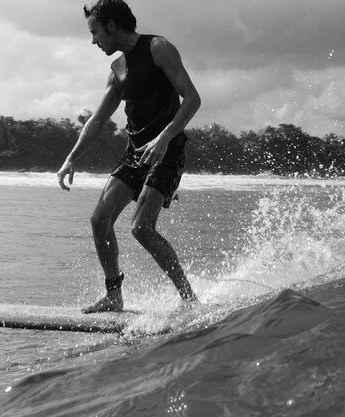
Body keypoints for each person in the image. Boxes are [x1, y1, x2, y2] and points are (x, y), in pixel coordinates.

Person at [57, 0, 201, 313]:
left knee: (141, 228)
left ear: (111, 25)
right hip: (135, 152)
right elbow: (97, 121)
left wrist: (164, 138)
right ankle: (113, 295)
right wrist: (71, 159)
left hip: (168, 151)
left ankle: (190, 301)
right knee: (99, 220)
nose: (93, 40)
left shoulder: (158, 48)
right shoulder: (117, 70)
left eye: (95, 32)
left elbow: (192, 99)